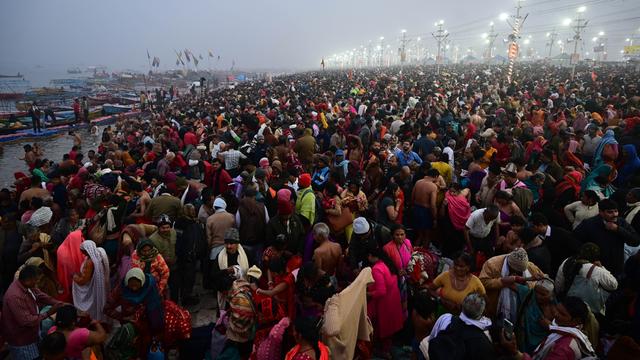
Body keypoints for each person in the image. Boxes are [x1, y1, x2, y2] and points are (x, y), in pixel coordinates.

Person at [2, 265, 62, 360]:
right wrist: (48, 313)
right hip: (22, 341)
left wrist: (57, 303)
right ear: (28, 280)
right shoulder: (15, 296)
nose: (37, 282)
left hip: (32, 335)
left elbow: (39, 295)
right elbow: (27, 321)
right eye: (36, 280)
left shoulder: (25, 286)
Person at [574, 198, 640, 275]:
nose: (615, 214)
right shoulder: (589, 224)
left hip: (616, 269)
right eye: (610, 212)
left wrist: (618, 229)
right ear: (601, 212)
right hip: (595, 269)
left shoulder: (621, 222)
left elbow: (635, 241)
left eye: (616, 211)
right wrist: (590, 259)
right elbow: (575, 241)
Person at [479, 248, 545, 320]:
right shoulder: (492, 264)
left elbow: (544, 281)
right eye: (514, 270)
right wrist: (501, 282)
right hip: (494, 309)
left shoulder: (530, 267)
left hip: (519, 311)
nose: (516, 273)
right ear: (509, 264)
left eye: (519, 272)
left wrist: (522, 287)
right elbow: (482, 282)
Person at [555, 243, 618, 316]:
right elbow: (614, 285)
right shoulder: (597, 270)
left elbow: (558, 283)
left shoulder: (567, 261)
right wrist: (602, 267)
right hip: (587, 312)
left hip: (566, 304)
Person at [428, 293, 495, 360]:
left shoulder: (446, 319)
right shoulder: (483, 341)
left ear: (462, 305)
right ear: (481, 312)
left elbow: (431, 339)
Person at [366, 244, 404, 357]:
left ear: (371, 256)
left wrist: (368, 293)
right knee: (388, 328)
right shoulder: (387, 263)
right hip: (392, 300)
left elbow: (381, 291)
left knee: (381, 327)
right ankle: (386, 349)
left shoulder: (376, 269)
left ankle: (383, 351)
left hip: (384, 303)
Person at [532, 296, 596, 359]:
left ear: (576, 321)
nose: (556, 314)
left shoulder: (564, 347)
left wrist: (523, 357)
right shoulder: (559, 329)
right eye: (557, 309)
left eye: (562, 314)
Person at [530, 212, 580, 278]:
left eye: (533, 227)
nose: (532, 229)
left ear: (540, 225)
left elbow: (575, 248)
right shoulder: (537, 236)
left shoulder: (561, 234)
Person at [514, 279, 557, 354]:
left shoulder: (556, 307)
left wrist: (551, 326)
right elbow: (508, 283)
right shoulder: (529, 294)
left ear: (551, 295)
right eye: (536, 292)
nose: (538, 296)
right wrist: (528, 278)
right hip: (524, 341)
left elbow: (563, 329)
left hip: (543, 347)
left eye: (543, 294)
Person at [72, 240, 110, 322]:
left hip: (91, 289)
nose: (83, 254)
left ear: (87, 250)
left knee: (90, 305)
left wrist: (74, 277)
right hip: (98, 286)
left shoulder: (90, 262)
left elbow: (83, 280)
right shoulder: (99, 254)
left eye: (83, 252)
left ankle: (92, 320)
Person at [412, 168, 440, 247]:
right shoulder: (433, 186)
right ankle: (424, 255)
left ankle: (414, 254)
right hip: (425, 212)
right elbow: (433, 205)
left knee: (419, 235)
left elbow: (412, 197)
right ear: (436, 176)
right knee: (427, 235)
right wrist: (435, 218)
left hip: (416, 209)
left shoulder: (418, 182)